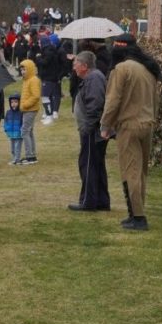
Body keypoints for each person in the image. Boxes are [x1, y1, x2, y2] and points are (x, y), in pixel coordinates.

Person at [101, 34, 162, 231]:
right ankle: (136, 212)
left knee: (130, 171)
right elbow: (155, 99)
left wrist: (105, 125)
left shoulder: (121, 69)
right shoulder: (148, 68)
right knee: (141, 171)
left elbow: (113, 100)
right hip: (147, 124)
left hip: (129, 125)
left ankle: (137, 216)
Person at [70, 50, 110, 212]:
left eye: (76, 64)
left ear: (85, 66)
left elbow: (95, 105)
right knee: (95, 164)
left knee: (88, 165)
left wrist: (88, 128)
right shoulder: (93, 77)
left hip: (92, 131)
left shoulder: (94, 78)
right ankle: (101, 200)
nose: (74, 68)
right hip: (92, 130)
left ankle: (89, 202)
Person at [19, 59, 40, 164]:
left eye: (25, 69)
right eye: (21, 69)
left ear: (30, 69)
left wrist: (24, 105)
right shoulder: (26, 80)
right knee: (29, 131)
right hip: (27, 109)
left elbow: (35, 96)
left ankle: (29, 156)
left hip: (30, 109)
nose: (23, 72)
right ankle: (32, 155)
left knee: (24, 131)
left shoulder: (33, 80)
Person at [3, 94, 23, 165]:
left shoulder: (21, 112)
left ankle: (17, 160)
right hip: (11, 134)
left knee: (17, 147)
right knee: (12, 148)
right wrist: (6, 128)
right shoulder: (8, 112)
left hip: (18, 134)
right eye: (12, 102)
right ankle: (14, 158)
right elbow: (5, 121)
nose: (13, 104)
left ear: (19, 102)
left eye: (15, 102)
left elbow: (23, 123)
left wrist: (22, 130)